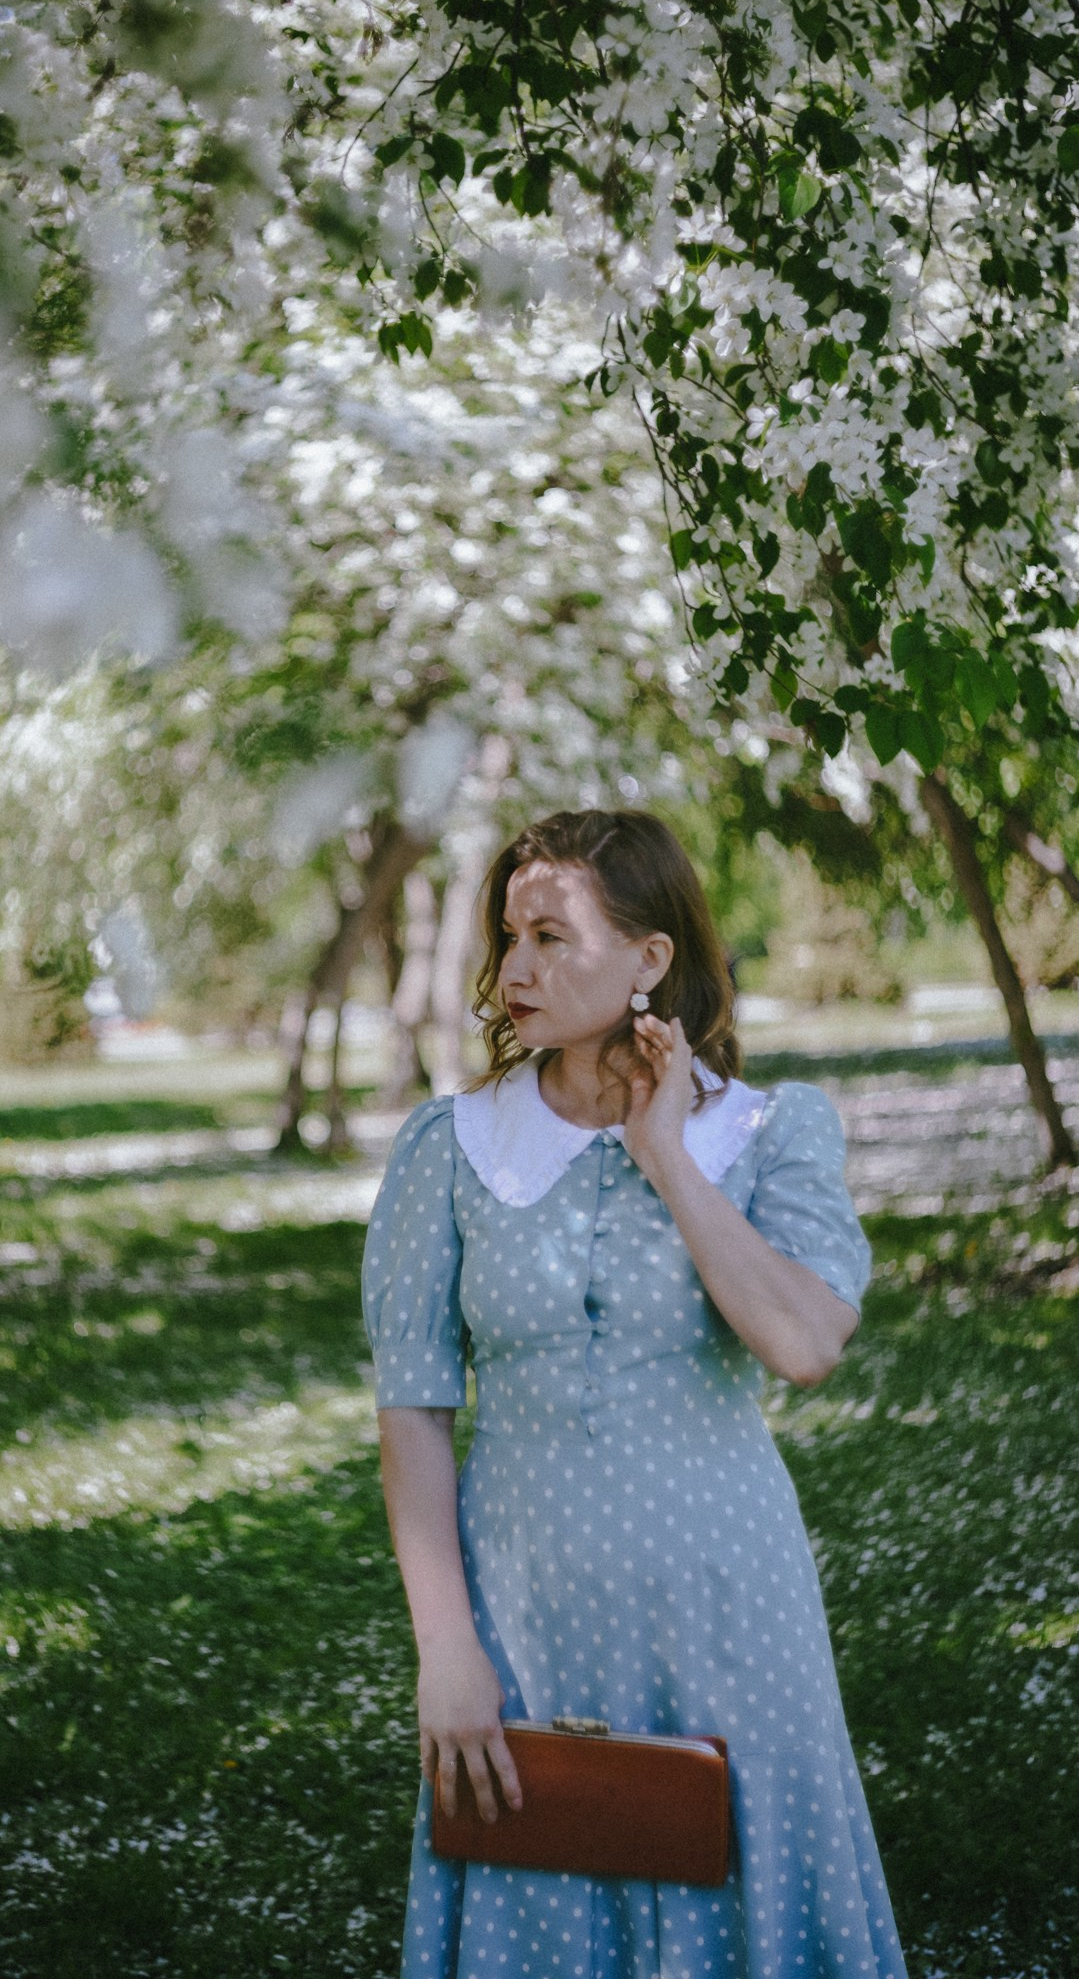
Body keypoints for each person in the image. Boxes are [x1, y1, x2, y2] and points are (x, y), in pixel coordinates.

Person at [362, 809, 907, 1979]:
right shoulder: (448, 1146)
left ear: (649, 958)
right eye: (508, 935)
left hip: (729, 1613)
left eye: (551, 936)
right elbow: (411, 1410)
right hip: (522, 1623)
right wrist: (446, 1647)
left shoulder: (767, 1131)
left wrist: (666, 1151)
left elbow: (804, 1341)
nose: (514, 968)